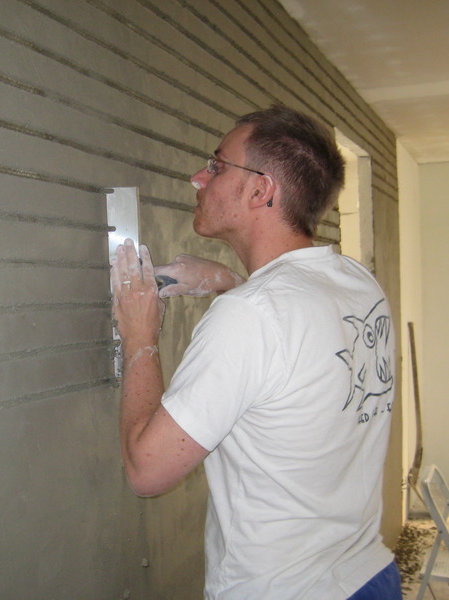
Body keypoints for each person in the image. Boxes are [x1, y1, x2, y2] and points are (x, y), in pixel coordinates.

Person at [110, 105, 399, 599]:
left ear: (261, 190)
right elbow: (288, 350)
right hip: (368, 575)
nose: (199, 177)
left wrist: (141, 339)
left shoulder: (251, 316)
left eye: (217, 165)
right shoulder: (355, 282)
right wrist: (229, 282)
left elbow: (146, 470)